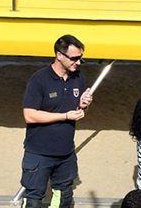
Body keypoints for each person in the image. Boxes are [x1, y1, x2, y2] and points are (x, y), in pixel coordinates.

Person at [20, 34, 94, 208]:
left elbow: (81, 112)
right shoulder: (39, 79)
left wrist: (84, 105)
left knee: (63, 197)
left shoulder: (78, 78)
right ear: (59, 55)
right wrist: (65, 116)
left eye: (80, 58)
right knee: (33, 199)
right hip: (39, 152)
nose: (78, 62)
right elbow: (29, 115)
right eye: (74, 58)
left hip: (66, 152)